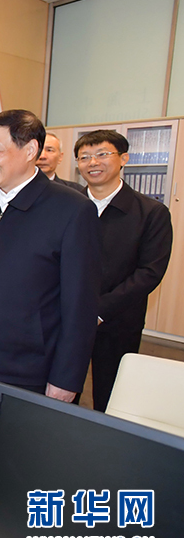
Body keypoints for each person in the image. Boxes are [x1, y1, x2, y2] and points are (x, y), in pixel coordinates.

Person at [0, 110, 100, 427]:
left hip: (26, 371)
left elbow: (80, 304)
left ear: (29, 150)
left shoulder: (72, 210)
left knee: (14, 455)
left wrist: (67, 377)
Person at [74, 129, 172, 411]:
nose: (93, 163)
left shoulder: (150, 212)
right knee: (61, 390)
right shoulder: (67, 205)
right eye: (84, 157)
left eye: (102, 154)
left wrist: (99, 310)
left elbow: (149, 272)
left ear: (124, 158)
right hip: (66, 315)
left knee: (111, 396)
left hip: (118, 319)